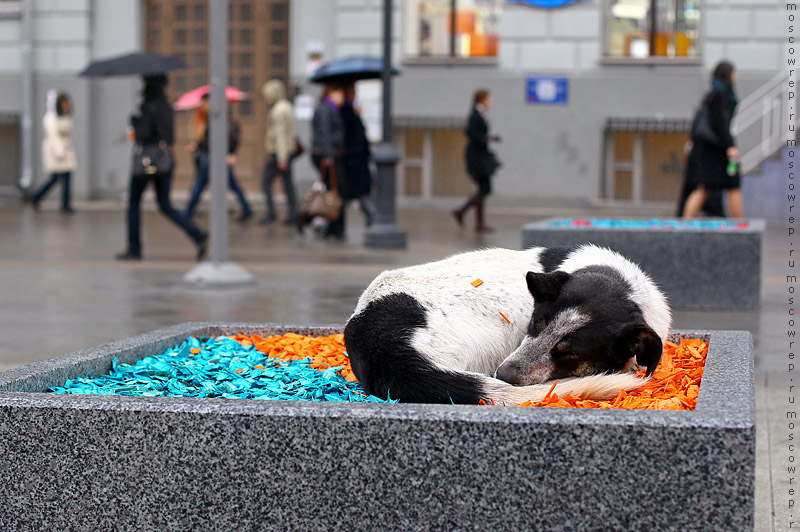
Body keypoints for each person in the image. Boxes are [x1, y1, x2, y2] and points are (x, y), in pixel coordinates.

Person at [116, 75, 207, 261]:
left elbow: (144, 134)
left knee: (133, 203)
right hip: (165, 161)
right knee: (165, 205)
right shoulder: (167, 107)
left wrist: (134, 121)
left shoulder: (148, 107)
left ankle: (134, 248)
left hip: (146, 162)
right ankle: (196, 233)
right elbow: (170, 137)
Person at [682, 61, 743, 219]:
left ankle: (685, 223)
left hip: (710, 148)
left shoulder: (714, 91)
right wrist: (730, 146)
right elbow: (720, 123)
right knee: (732, 185)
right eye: (734, 73)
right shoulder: (720, 93)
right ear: (728, 74)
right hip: (718, 148)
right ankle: (741, 226)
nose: (736, 77)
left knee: (706, 187)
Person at [184, 95, 253, 223]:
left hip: (214, 157)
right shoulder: (212, 116)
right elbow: (208, 138)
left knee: (200, 185)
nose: (202, 105)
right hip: (214, 156)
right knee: (229, 184)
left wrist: (230, 153)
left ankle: (188, 211)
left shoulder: (217, 116)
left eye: (204, 102)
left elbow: (218, 139)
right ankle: (246, 209)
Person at [453, 89, 500, 233]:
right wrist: (486, 138)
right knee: (484, 189)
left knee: (483, 189)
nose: (490, 101)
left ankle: (473, 219)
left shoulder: (481, 113)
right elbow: (471, 133)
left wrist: (488, 138)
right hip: (477, 157)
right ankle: (463, 213)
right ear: (482, 99)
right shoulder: (475, 114)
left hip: (481, 155)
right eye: (488, 98)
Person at [308, 83, 347, 239]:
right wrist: (328, 155)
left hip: (330, 154)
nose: (342, 98)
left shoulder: (331, 110)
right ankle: (333, 227)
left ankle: (333, 226)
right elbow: (324, 133)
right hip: (327, 156)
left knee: (333, 191)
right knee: (334, 191)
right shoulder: (325, 110)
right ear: (331, 93)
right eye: (340, 93)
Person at [260, 79, 298, 225]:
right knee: (288, 184)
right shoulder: (286, 106)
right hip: (287, 152)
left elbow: (281, 135)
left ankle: (271, 212)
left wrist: (281, 158)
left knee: (265, 182)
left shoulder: (278, 111)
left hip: (278, 153)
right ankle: (293, 213)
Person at [31, 90, 76, 213]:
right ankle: (36, 196)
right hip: (55, 151)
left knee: (66, 177)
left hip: (65, 149)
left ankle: (65, 204)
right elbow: (54, 137)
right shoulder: (51, 118)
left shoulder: (65, 116)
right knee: (55, 178)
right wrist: (60, 152)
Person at [340, 82, 375, 227]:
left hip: (356, 160)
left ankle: (323, 223)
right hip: (354, 161)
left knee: (350, 195)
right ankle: (374, 221)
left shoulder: (351, 111)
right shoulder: (347, 111)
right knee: (356, 194)